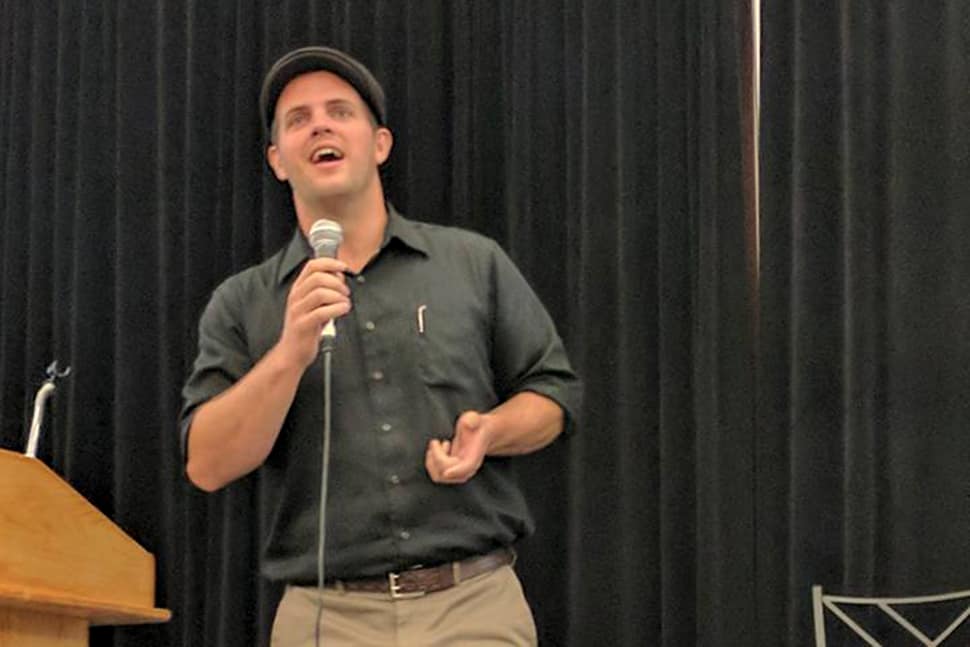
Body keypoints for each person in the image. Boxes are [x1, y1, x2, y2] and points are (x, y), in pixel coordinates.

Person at [180, 45, 581, 647]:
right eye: (298, 119)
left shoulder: (471, 263)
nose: (319, 124)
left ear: (380, 144)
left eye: (340, 112)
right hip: (324, 617)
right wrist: (290, 352)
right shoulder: (243, 302)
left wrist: (491, 432)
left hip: (471, 604)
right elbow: (208, 466)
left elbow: (555, 394)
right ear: (277, 162)